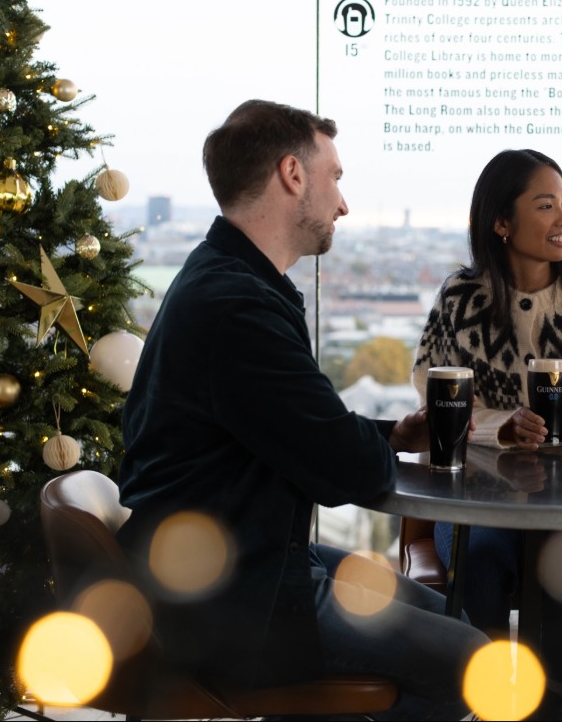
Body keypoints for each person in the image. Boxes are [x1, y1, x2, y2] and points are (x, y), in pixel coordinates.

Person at [115, 100, 488, 721]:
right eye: (334, 178)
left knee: (446, 615)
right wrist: (371, 447)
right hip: (234, 599)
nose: (342, 203)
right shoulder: (239, 307)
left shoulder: (220, 278)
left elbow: (290, 432)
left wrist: (392, 432)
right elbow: (348, 472)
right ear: (293, 175)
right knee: (470, 660)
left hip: (235, 563)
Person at [412, 148, 562, 719]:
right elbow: (437, 397)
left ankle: (551, 708)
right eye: (546, 205)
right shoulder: (460, 300)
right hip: (482, 505)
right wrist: (501, 428)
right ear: (501, 221)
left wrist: (538, 426)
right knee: (483, 559)